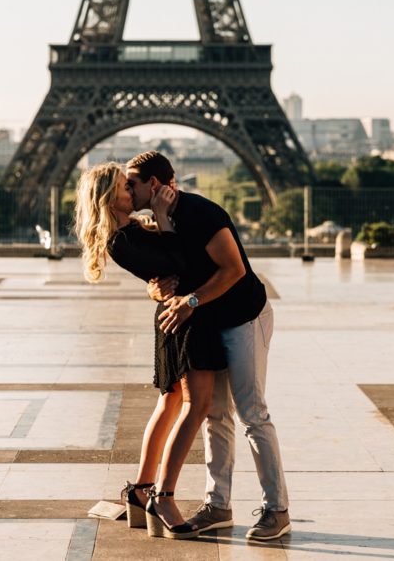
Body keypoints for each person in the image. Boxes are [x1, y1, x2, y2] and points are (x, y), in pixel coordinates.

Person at [126, 150, 292, 542]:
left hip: (243, 318)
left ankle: (277, 510)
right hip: (208, 323)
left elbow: (234, 269)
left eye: (131, 184)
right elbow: (169, 274)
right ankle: (218, 504)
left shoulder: (200, 212)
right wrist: (158, 290)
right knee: (215, 415)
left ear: (154, 184)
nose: (127, 191)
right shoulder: (161, 221)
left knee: (252, 414)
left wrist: (191, 301)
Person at [74, 162, 227, 540]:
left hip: (179, 313)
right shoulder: (121, 239)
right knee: (195, 406)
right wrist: (161, 214)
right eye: (124, 187)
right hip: (182, 319)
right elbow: (179, 262)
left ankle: (143, 488)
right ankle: (164, 496)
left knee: (172, 402)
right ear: (108, 198)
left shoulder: (131, 231)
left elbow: (170, 265)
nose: (131, 191)